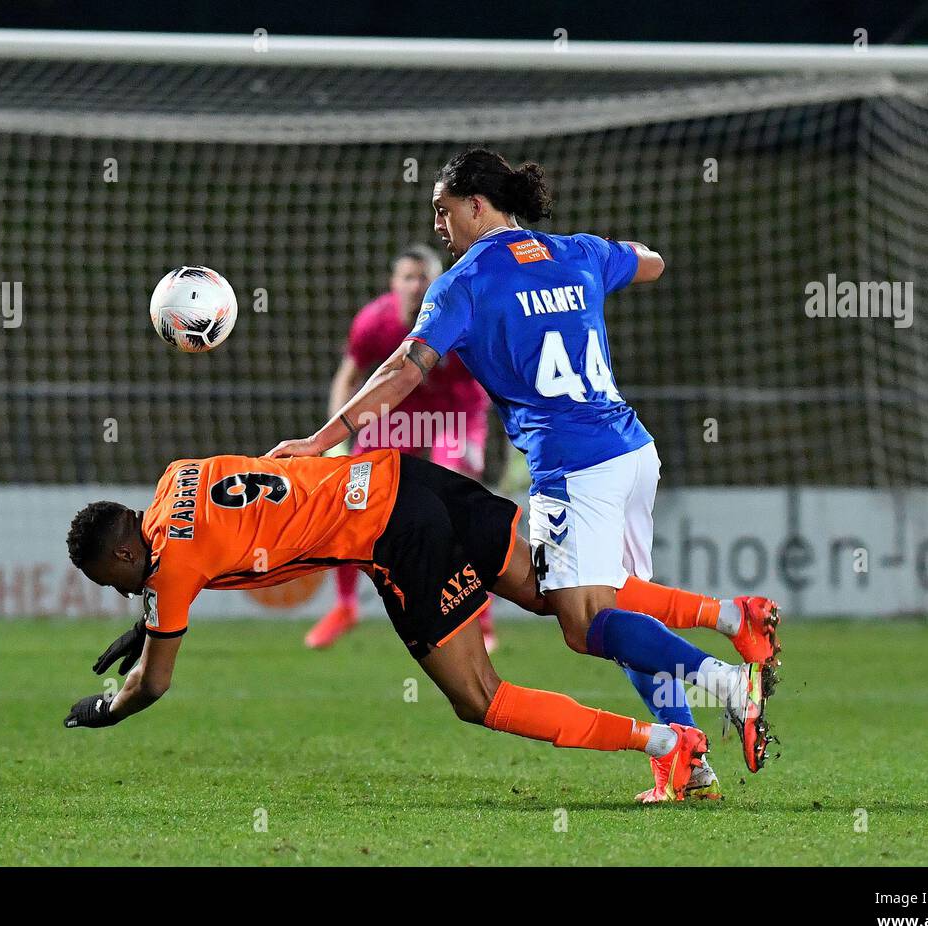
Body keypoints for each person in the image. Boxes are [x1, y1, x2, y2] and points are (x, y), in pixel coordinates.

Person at [265, 148, 780, 802]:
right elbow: (652, 262)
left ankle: (730, 682)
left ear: (477, 205)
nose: (439, 226)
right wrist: (602, 261)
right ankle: (688, 758)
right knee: (619, 613)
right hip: (630, 451)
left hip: (574, 466)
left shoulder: (465, 284)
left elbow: (402, 371)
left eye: (443, 211)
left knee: (582, 623)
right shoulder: (578, 252)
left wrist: (320, 441)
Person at [62, 450, 772, 803]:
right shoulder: (172, 477)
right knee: (576, 606)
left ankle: (667, 739)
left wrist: (104, 709)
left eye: (110, 579)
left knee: (480, 698)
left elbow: (151, 685)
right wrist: (145, 617)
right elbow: (199, 541)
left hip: (397, 537)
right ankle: (732, 620)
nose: (116, 589)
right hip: (409, 477)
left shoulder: (168, 575)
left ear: (125, 554)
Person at [305, 245, 496, 652]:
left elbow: (493, 373)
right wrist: (335, 441)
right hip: (398, 412)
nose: (416, 286)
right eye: (408, 278)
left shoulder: (461, 312)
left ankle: (481, 615)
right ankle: (345, 606)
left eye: (424, 277)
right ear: (394, 285)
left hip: (456, 412)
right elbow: (350, 377)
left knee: (457, 502)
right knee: (355, 500)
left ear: (438, 281)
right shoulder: (373, 322)